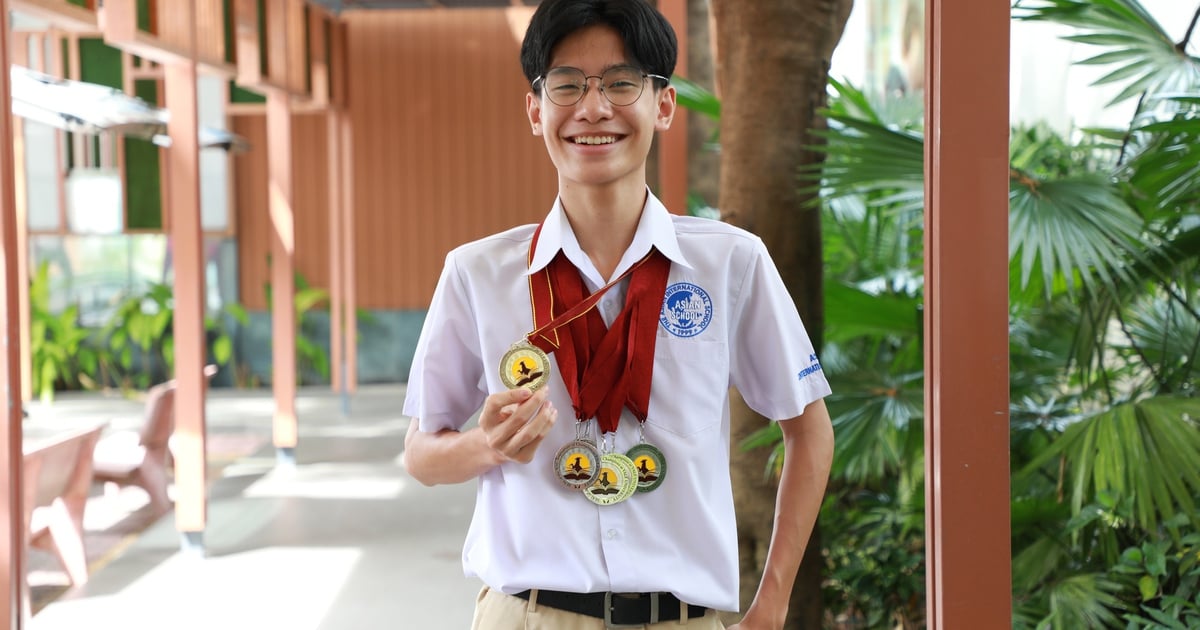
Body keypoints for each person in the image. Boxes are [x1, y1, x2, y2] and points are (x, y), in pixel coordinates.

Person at [401, 1, 834, 628]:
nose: (593, 109)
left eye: (622, 83)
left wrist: (771, 606)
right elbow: (419, 452)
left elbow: (810, 428)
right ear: (536, 109)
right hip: (529, 616)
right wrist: (484, 445)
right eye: (567, 85)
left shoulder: (730, 265)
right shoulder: (478, 274)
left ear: (663, 104)